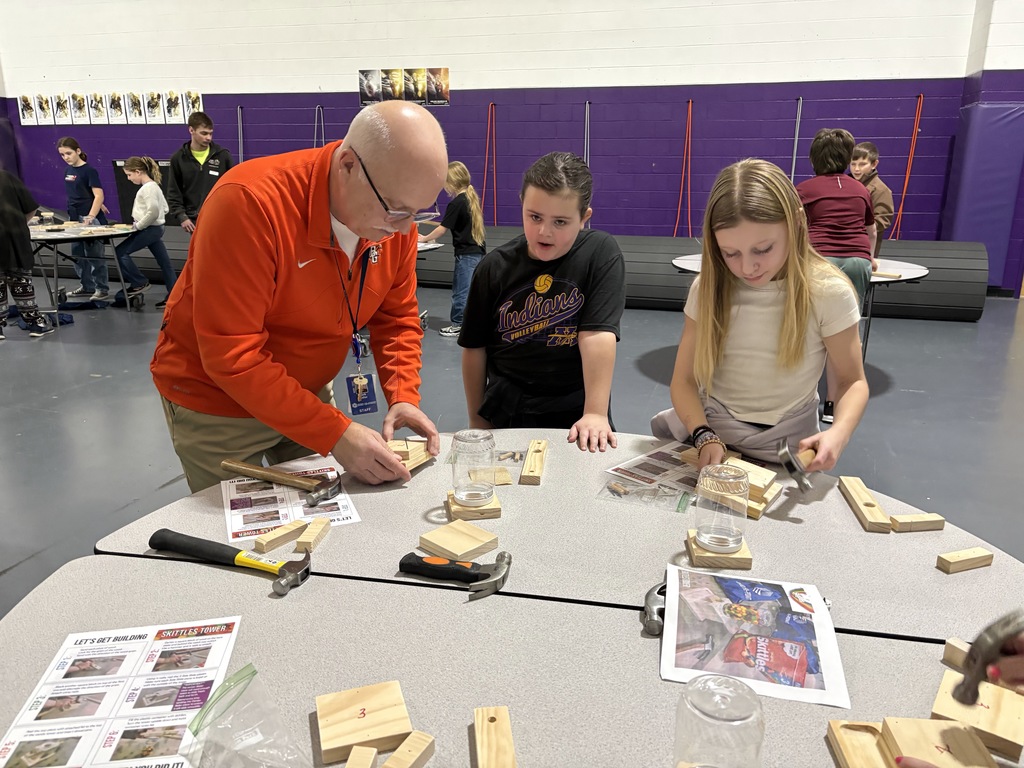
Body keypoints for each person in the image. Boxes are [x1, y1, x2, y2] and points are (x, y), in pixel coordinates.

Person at [151, 101, 448, 492]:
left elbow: (397, 317)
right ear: (347, 164)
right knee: (241, 538)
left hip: (304, 391)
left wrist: (403, 393)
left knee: (332, 516)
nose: (406, 229)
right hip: (218, 405)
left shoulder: (395, 224)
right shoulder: (249, 203)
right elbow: (232, 354)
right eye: (395, 209)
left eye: (419, 213)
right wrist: (335, 433)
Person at [651, 158, 868, 471]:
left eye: (763, 249)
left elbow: (851, 381)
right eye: (730, 253)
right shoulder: (708, 288)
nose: (746, 267)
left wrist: (839, 433)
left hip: (789, 448)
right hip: (711, 433)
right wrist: (702, 434)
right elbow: (684, 381)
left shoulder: (827, 291)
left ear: (795, 223)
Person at [458, 151, 625, 452]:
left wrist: (595, 413)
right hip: (509, 406)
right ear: (521, 202)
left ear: (584, 217)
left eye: (561, 221)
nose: (544, 232)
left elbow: (597, 334)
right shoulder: (494, 267)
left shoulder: (600, 253)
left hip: (577, 406)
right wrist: (476, 419)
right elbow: (474, 348)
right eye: (534, 217)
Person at [796, 128, 875, 424]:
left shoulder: (804, 189)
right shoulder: (861, 189)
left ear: (813, 158)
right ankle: (832, 405)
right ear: (847, 158)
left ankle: (801, 398)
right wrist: (871, 257)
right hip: (857, 261)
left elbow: (795, 230)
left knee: (808, 331)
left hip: (819, 260)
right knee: (843, 334)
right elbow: (871, 230)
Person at [418, 161, 486, 336]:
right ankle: (470, 323)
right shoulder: (470, 199)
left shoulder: (457, 203)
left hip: (466, 255)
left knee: (460, 292)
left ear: (452, 182)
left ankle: (458, 324)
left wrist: (424, 238)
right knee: (470, 290)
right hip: (477, 252)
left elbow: (442, 228)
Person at [114, 157, 177, 308]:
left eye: (129, 175)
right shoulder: (154, 186)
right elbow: (165, 208)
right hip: (156, 229)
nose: (129, 179)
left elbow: (154, 211)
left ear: (138, 172)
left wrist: (139, 225)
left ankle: (138, 282)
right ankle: (174, 295)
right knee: (165, 263)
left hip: (150, 229)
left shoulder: (147, 189)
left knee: (120, 252)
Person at [0, 169, 56, 338]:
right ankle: (34, 323)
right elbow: (31, 207)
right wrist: (18, 225)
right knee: (21, 279)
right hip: (15, 238)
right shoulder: (7, 177)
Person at [58, 137, 110, 301]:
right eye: (62, 155)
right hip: (74, 217)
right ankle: (87, 286)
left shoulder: (89, 171)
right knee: (77, 255)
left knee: (95, 256)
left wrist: (92, 215)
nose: (66, 157)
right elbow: (81, 192)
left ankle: (102, 288)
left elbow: (98, 194)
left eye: (69, 153)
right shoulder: (68, 171)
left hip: (89, 218)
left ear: (78, 151)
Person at [166, 111, 234, 235]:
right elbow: (174, 191)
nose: (208, 138)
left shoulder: (223, 155)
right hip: (194, 220)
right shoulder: (178, 158)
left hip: (220, 217)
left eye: (210, 133)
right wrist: (182, 216)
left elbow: (233, 187)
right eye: (204, 133)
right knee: (201, 254)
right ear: (191, 130)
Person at [850, 141, 894, 260]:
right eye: (853, 164)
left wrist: (853, 228)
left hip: (864, 248)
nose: (856, 169)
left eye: (862, 164)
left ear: (874, 164)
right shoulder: (846, 184)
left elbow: (883, 219)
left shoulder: (881, 190)